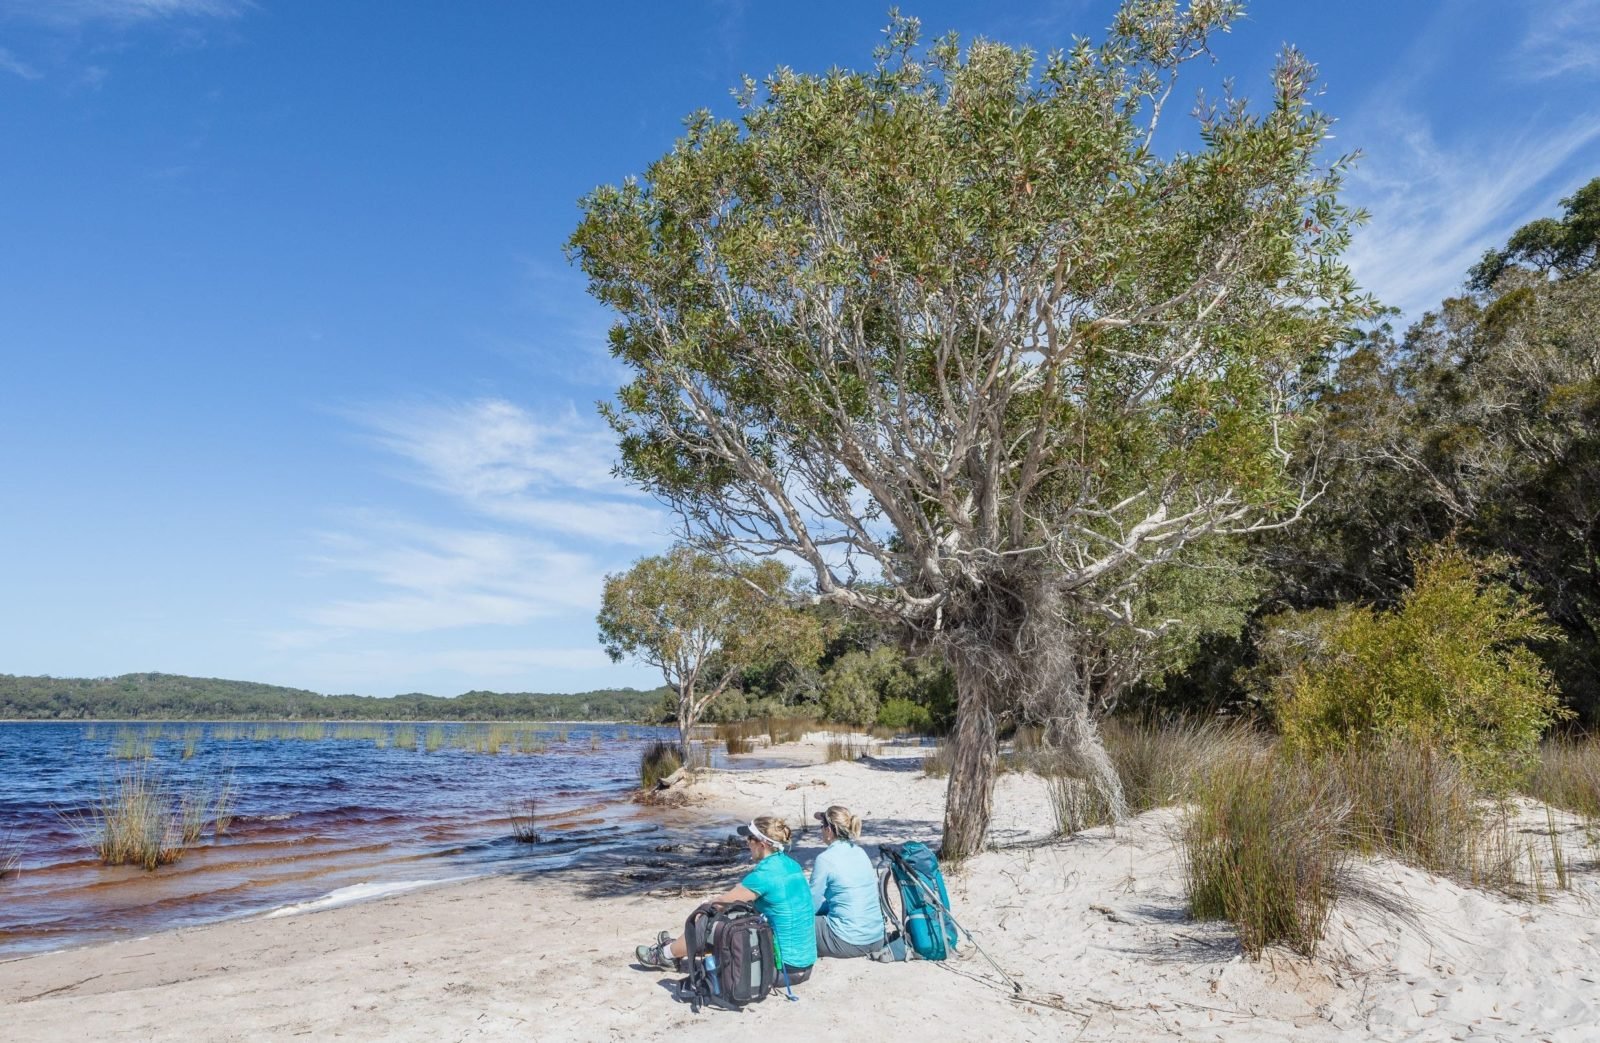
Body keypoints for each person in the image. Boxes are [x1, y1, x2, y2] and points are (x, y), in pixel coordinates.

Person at [635, 815, 818, 984]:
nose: (747, 844)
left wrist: (704, 909)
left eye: (749, 839)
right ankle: (676, 948)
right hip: (804, 964)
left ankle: (665, 955)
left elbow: (720, 904)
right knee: (734, 918)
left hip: (782, 968)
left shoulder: (765, 875)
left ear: (762, 844)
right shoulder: (791, 865)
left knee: (707, 919)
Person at [809, 806, 887, 958]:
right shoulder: (860, 852)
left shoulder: (825, 859)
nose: (821, 831)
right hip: (877, 938)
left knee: (791, 922)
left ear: (829, 830)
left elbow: (811, 905)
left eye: (821, 826)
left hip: (847, 941)